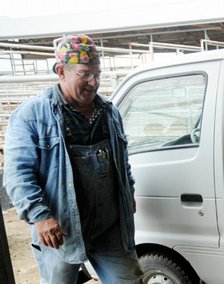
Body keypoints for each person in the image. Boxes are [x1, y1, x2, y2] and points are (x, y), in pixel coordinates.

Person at [3, 34, 142, 283]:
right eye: (84, 74)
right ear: (61, 71)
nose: (93, 83)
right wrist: (40, 216)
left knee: (129, 280)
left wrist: (128, 189)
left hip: (109, 227)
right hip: (60, 231)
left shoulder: (109, 112)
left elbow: (123, 159)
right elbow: (17, 174)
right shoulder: (31, 115)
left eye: (97, 74)